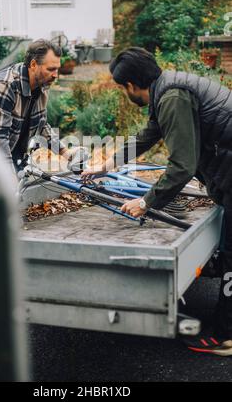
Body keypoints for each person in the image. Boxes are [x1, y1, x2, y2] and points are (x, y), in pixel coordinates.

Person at [82, 47, 232, 356]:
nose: (125, 94)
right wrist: (108, 163)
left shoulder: (172, 99)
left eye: (122, 89)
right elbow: (148, 136)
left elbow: (182, 166)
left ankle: (225, 335)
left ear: (130, 85)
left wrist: (147, 202)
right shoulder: (169, 88)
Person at [0, 39, 72, 175]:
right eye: (51, 69)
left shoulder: (42, 84)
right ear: (34, 64)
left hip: (14, 153)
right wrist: (9, 179)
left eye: (57, 69)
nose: (56, 75)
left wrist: (64, 152)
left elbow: (42, 124)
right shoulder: (4, 86)